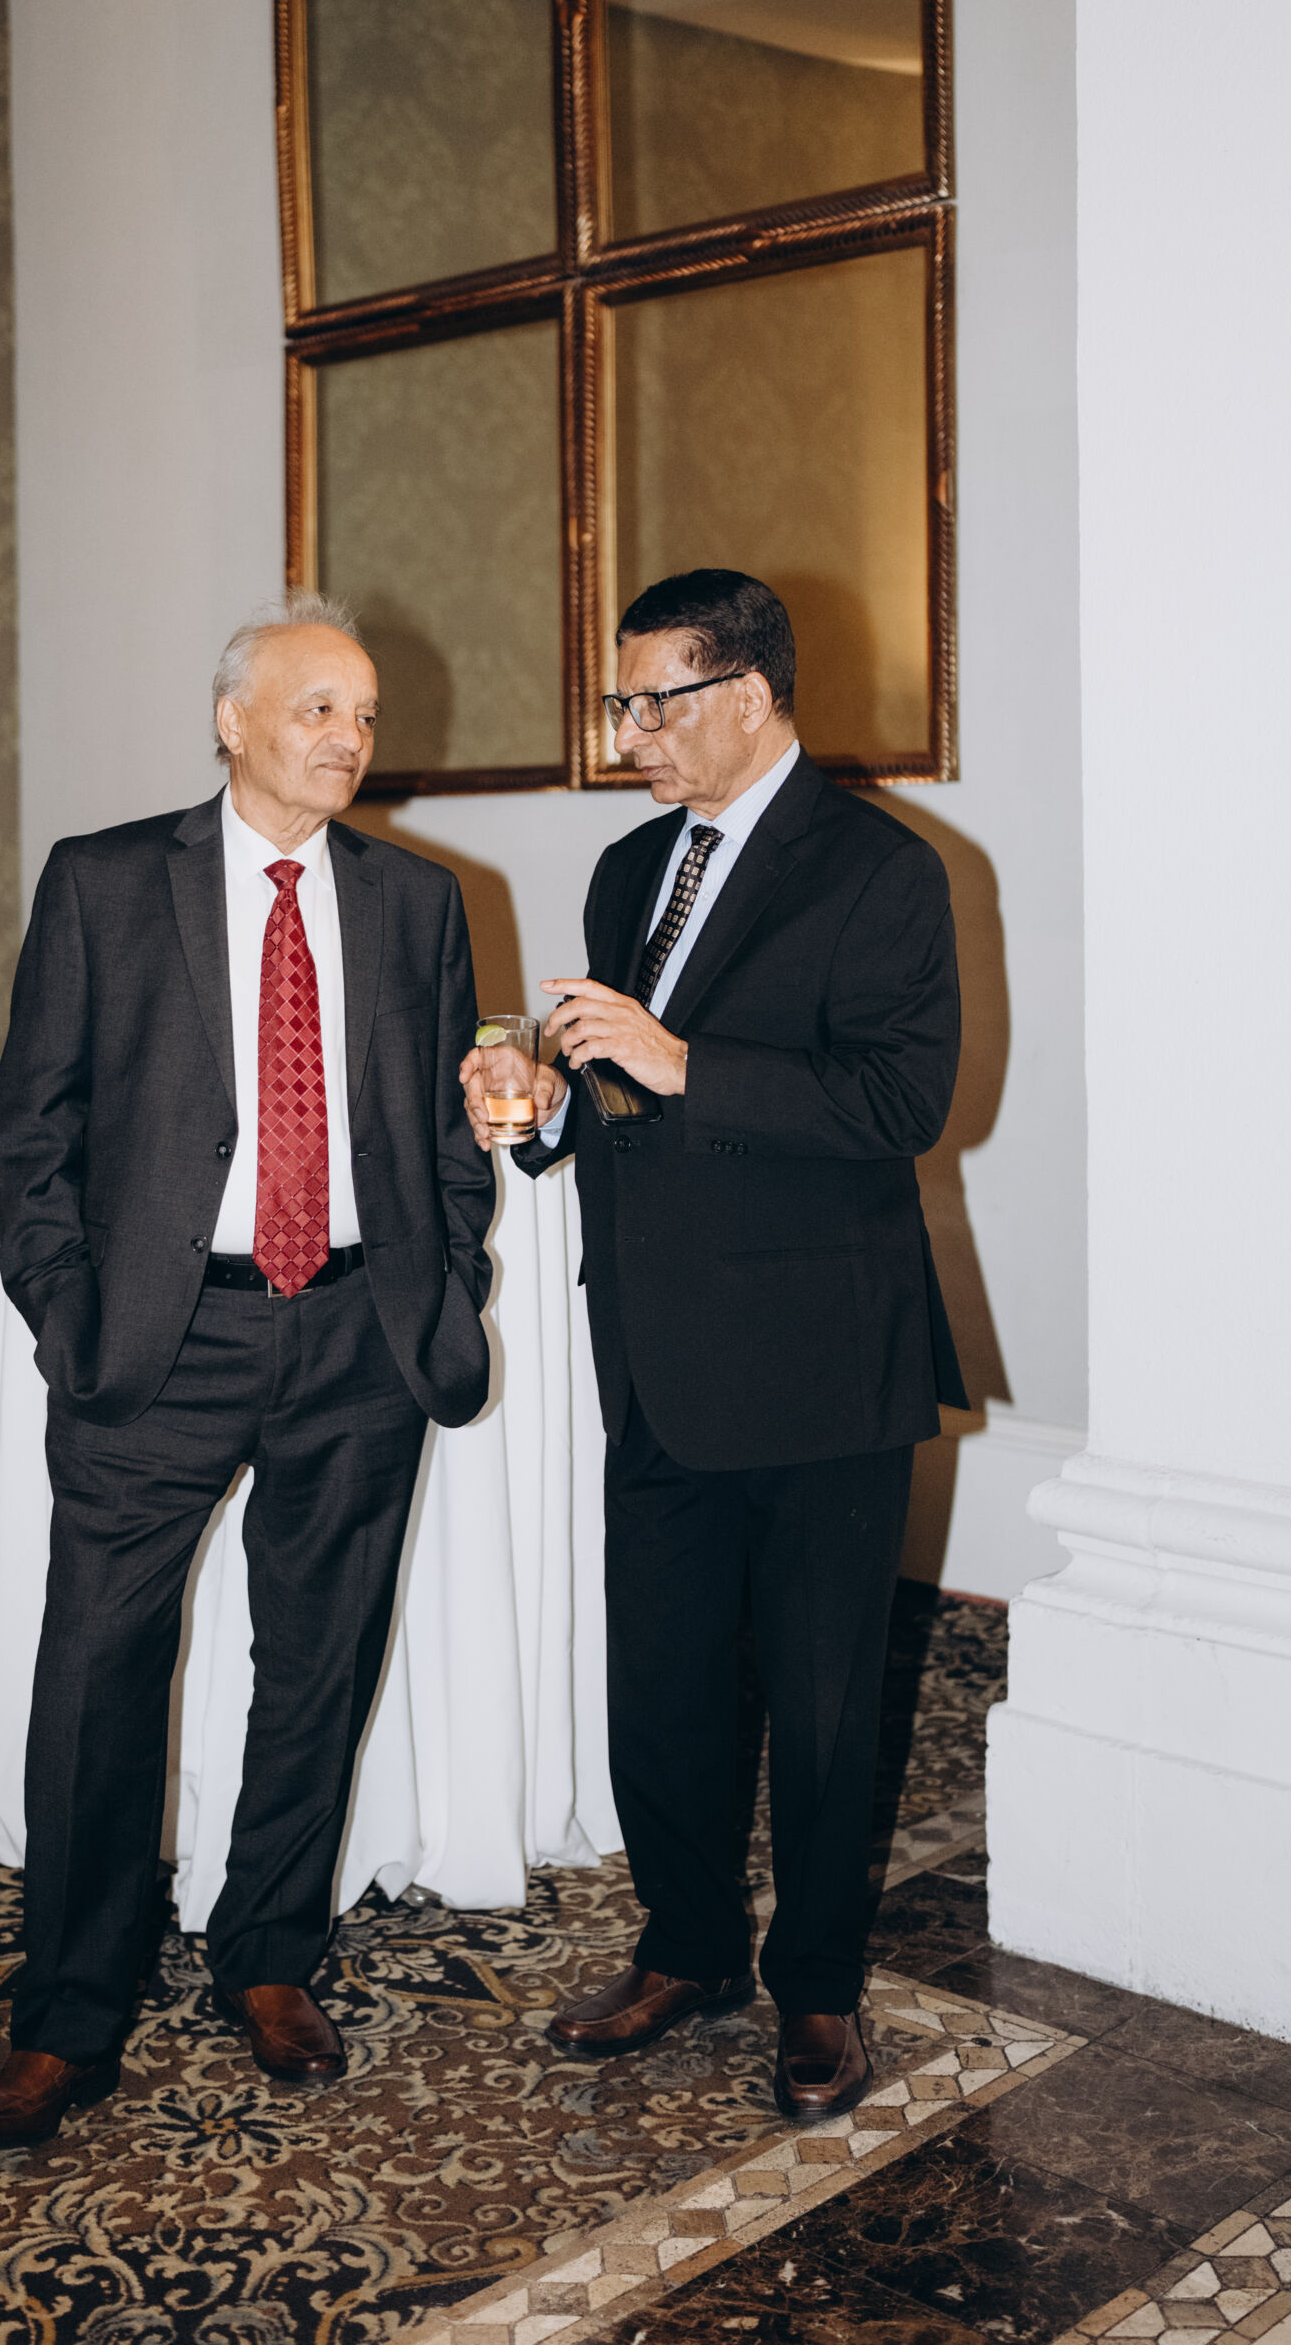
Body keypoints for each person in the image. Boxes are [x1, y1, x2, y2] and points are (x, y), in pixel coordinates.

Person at [0, 592, 493, 2144]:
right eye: (319, 708)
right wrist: (71, 1312)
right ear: (231, 720)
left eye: (365, 715)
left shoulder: (419, 902)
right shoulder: (107, 882)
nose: (349, 738)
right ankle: (67, 2015)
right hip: (160, 1342)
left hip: (359, 1338)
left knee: (320, 1659)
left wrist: (445, 1280)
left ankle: (267, 1955)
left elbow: (449, 1134)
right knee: (97, 1673)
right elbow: (34, 1133)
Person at [460, 568, 964, 2123]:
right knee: (664, 1681)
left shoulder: (883, 870)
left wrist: (684, 1061)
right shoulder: (629, 870)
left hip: (822, 1358)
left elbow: (903, 1102)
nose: (627, 735)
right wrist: (549, 1111)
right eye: (620, 704)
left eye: (652, 703)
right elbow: (628, 1097)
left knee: (821, 1703)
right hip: (659, 1346)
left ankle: (815, 1987)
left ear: (746, 697)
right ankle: (685, 1947)